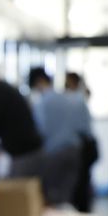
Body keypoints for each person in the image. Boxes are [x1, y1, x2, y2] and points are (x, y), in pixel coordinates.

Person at [29, 68, 91, 207]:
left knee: (53, 196)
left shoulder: (42, 103)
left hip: (54, 153)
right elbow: (83, 128)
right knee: (68, 195)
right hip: (74, 150)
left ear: (39, 82)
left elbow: (40, 130)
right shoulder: (69, 99)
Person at [65, 72, 98, 213]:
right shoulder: (79, 98)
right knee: (82, 181)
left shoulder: (75, 99)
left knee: (81, 182)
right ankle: (83, 211)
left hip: (84, 145)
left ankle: (83, 212)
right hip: (86, 144)